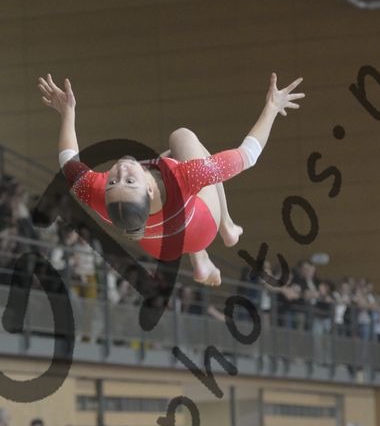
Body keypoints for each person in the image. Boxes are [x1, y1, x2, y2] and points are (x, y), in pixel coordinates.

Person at [39, 70, 303, 287]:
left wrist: (68, 113)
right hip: (202, 229)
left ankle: (200, 260)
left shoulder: (102, 197)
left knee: (167, 159)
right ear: (149, 190)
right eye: (129, 181)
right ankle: (227, 226)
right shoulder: (183, 177)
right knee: (182, 138)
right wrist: (272, 107)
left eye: (112, 182)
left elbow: (69, 165)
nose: (120, 172)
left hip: (160, 248)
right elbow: (248, 155)